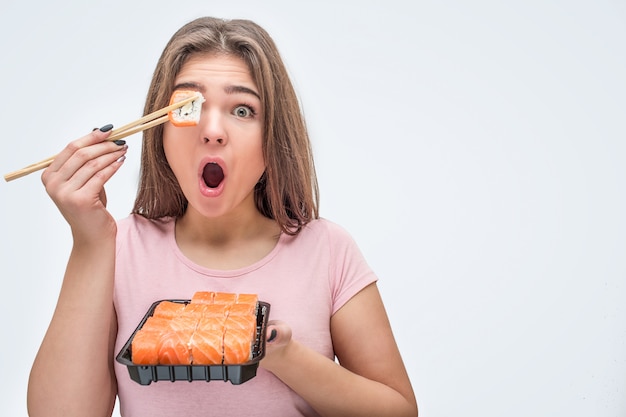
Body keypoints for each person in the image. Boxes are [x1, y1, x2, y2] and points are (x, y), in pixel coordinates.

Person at [27, 16, 418, 417]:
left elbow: (399, 411)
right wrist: (90, 242)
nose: (212, 130)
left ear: (273, 137)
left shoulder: (329, 250)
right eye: (186, 105)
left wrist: (284, 358)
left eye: (243, 110)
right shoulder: (117, 248)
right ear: (160, 131)